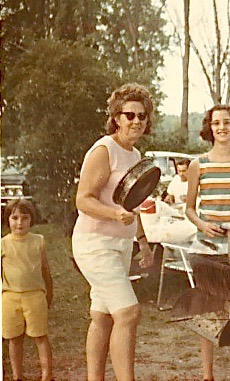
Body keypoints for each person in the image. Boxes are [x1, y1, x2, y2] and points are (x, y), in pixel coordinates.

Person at [72, 83, 155, 381]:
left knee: (103, 316)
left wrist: (142, 242)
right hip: (94, 243)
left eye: (142, 116)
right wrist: (114, 213)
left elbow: (134, 206)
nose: (136, 121)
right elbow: (83, 199)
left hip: (119, 245)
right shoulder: (104, 149)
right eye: (129, 115)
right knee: (129, 313)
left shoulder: (134, 155)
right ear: (116, 117)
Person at [185, 104, 230, 381]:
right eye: (216, 123)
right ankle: (208, 375)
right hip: (206, 246)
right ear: (209, 128)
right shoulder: (198, 164)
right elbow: (190, 209)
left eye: (227, 122)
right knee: (208, 311)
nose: (222, 128)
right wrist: (203, 225)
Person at [2, 199, 53, 381]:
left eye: (24, 218)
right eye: (14, 218)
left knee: (40, 336)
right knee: (14, 339)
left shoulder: (38, 241)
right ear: (8, 220)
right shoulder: (3, 243)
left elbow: (45, 270)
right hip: (10, 297)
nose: (19, 222)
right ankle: (17, 376)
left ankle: (47, 375)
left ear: (31, 220)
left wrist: (49, 293)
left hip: (35, 295)